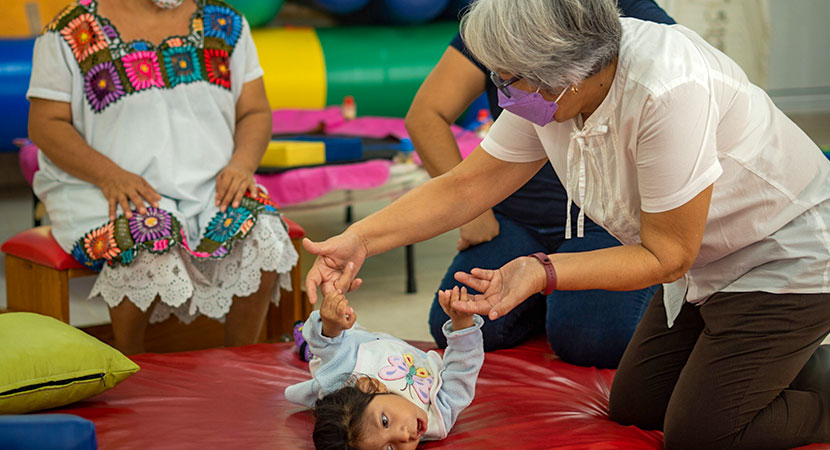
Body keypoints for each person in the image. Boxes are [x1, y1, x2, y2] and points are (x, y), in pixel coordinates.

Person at [304, 0, 830, 447]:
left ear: (567, 75)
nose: (503, 97)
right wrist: (359, 240)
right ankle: (770, 362)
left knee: (702, 435)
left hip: (780, 252)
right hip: (704, 260)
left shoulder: (666, 87)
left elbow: (667, 255)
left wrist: (540, 271)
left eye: (510, 83)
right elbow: (468, 185)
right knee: (638, 406)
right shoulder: (557, 90)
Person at [405, 0, 674, 368]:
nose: (526, 93)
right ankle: (548, 300)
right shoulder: (502, 19)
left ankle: (577, 301)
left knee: (590, 339)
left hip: (604, 218)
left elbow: (675, 107)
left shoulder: (638, 21)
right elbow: (426, 114)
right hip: (519, 216)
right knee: (458, 323)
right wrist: (473, 211)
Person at [26, 0, 298, 354]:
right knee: (150, 237)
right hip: (102, 188)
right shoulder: (69, 32)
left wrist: (242, 165)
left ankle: (241, 358)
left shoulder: (225, 23)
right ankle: (134, 367)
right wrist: (108, 175)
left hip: (209, 186)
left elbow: (255, 110)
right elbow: (45, 125)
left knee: (261, 227)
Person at [285, 263, 484, 449]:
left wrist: (330, 326)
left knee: (326, 344)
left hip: (355, 344)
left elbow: (326, 345)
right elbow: (462, 373)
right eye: (389, 448)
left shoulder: (347, 368)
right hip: (379, 344)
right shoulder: (437, 419)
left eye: (385, 422)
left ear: (371, 385)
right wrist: (463, 327)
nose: (404, 437)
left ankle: (306, 346)